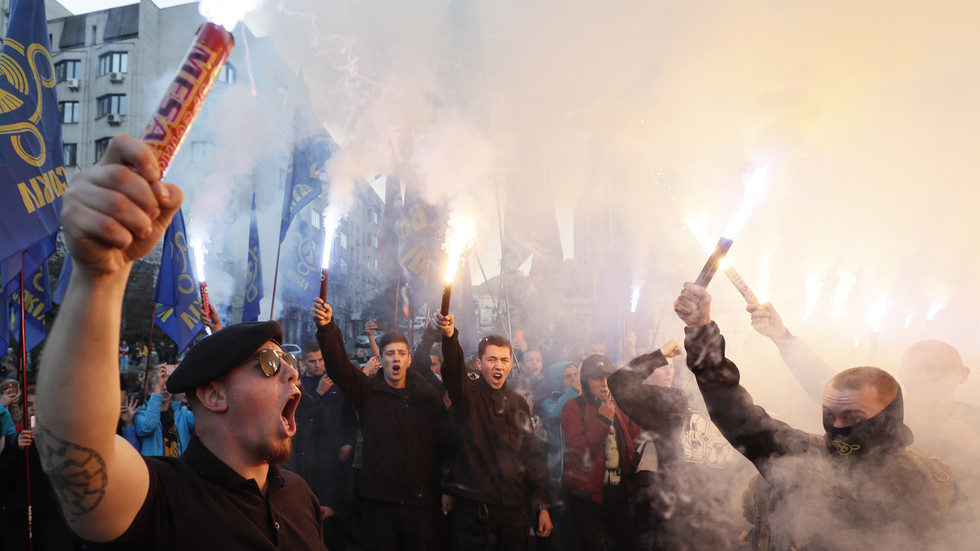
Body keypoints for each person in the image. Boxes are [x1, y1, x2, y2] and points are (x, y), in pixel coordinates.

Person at [34, 135, 324, 548]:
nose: (293, 372)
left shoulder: (299, 496)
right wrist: (98, 276)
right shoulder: (161, 501)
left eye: (285, 362)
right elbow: (77, 458)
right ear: (213, 395)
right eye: (269, 364)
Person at [674, 283, 973, 550]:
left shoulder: (937, 478)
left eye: (853, 417)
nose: (838, 426)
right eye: (829, 415)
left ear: (887, 418)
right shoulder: (804, 458)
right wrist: (702, 332)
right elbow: (736, 413)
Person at [313, 298, 449, 550]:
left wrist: (447, 488)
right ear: (381, 359)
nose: (395, 359)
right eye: (389, 354)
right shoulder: (367, 393)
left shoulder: (427, 396)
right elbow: (340, 366)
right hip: (378, 504)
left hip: (420, 504)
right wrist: (327, 327)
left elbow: (446, 445)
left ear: (408, 359)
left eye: (401, 353)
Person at [608, 340, 749, 550]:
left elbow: (747, 468)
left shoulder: (739, 408)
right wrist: (659, 355)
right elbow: (620, 383)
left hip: (723, 528)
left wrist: (744, 522)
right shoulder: (673, 402)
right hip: (676, 527)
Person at [438, 313, 553, 549]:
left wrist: (542, 506)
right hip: (476, 516)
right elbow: (453, 371)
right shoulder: (468, 396)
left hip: (513, 513)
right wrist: (450, 337)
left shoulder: (518, 404)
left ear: (511, 363)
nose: (498, 365)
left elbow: (532, 457)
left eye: (504, 359)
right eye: (491, 359)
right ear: (480, 364)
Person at [561, 354, 641, 550]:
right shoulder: (572, 408)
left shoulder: (621, 406)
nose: (605, 383)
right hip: (588, 498)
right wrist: (603, 421)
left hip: (620, 495)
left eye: (608, 377)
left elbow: (636, 443)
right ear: (586, 382)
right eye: (598, 378)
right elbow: (579, 452)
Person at [0, 387, 81, 549]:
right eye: (29, 404)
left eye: (39, 404)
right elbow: (4, 478)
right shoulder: (10, 439)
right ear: (23, 409)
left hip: (53, 516)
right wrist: (15, 448)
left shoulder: (60, 439)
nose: (34, 409)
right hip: (19, 518)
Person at [134, 364, 194, 457]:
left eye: (167, 383)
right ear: (149, 391)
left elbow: (202, 423)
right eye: (158, 384)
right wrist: (159, 387)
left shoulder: (182, 412)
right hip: (157, 468)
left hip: (180, 467)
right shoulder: (140, 414)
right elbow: (149, 426)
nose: (164, 388)